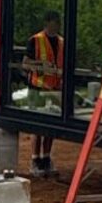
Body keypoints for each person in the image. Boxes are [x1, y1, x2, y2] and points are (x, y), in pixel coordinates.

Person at [24, 9, 64, 175]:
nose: (56, 26)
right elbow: (26, 64)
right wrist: (41, 66)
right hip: (37, 88)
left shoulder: (62, 42)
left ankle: (46, 158)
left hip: (54, 89)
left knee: (50, 126)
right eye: (53, 23)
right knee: (37, 127)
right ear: (47, 23)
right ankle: (35, 159)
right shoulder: (35, 40)